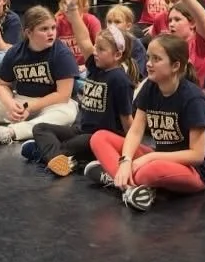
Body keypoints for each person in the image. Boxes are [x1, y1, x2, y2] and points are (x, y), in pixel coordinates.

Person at [86, 34, 205, 211]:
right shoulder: (150, 86)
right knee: (99, 138)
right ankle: (128, 184)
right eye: (148, 58)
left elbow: (197, 156)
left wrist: (150, 157)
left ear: (175, 66)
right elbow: (136, 131)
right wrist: (125, 161)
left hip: (192, 170)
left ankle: (116, 178)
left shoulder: (193, 98)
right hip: (160, 156)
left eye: (156, 59)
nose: (149, 63)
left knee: (151, 170)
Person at [22, 24, 137, 176]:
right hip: (80, 130)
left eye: (101, 50)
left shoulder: (120, 80)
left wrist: (129, 151)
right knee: (40, 128)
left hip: (98, 137)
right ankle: (62, 159)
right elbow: (83, 38)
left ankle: (47, 154)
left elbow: (127, 119)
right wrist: (72, 12)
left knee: (68, 144)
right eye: (96, 47)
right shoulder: (96, 68)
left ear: (117, 55)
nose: (95, 52)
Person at [0, 6, 79, 145]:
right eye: (44, 29)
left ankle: (10, 132)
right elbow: (2, 85)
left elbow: (63, 95)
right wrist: (10, 104)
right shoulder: (14, 53)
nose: (51, 33)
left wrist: (30, 107)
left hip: (50, 104)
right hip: (20, 100)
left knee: (67, 114)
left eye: (53, 28)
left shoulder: (61, 54)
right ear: (28, 32)